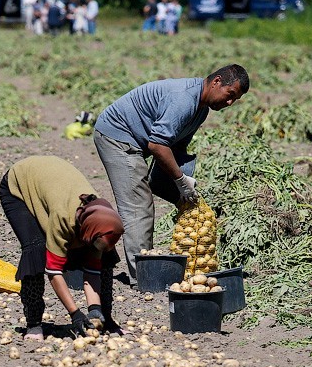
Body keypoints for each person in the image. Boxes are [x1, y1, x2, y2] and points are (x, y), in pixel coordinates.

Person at [92, 64, 250, 281]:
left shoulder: (200, 110)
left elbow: (175, 148)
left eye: (235, 100)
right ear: (216, 82)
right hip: (118, 136)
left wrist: (182, 190)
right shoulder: (184, 100)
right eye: (230, 94)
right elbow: (157, 145)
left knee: (152, 194)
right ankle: (144, 276)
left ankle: (114, 258)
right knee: (138, 206)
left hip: (139, 140)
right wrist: (179, 179)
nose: (230, 103)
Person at [0, 156, 125, 341]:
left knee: (106, 258)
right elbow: (54, 271)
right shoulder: (63, 218)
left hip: (52, 184)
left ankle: (106, 319)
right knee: (35, 250)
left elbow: (93, 268)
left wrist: (94, 309)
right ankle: (34, 324)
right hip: (19, 187)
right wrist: (75, 314)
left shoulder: (100, 219)